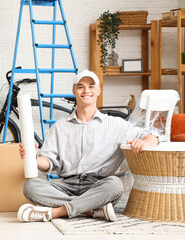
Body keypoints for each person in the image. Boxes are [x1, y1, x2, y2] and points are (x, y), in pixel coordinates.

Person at [17, 69, 159, 223]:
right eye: (80, 87)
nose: (86, 90)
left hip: (98, 186)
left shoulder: (115, 124)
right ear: (74, 91)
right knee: (31, 186)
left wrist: (144, 142)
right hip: (66, 185)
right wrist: (32, 157)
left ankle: (56, 212)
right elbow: (48, 162)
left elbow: (153, 135)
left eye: (91, 86)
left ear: (98, 90)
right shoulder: (60, 126)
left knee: (115, 185)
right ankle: (90, 209)